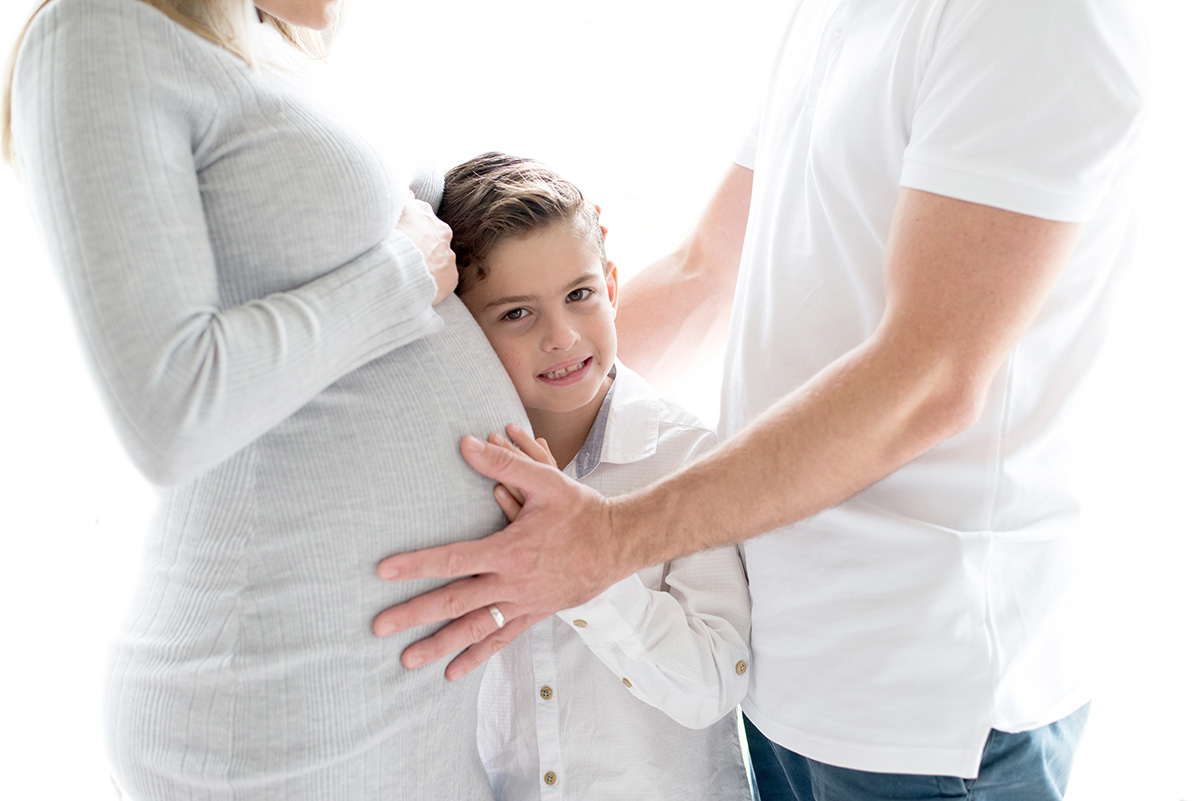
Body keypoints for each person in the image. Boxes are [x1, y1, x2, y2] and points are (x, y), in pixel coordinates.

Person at [371, 1, 1151, 799]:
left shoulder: (1038, 20)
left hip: (926, 696)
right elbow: (706, 269)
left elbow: (931, 378)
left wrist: (603, 543)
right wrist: (487, 414)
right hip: (788, 677)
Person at [4, 0, 527, 798]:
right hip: (271, 702)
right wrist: (401, 278)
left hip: (412, 680)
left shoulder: (273, 37)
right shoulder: (98, 28)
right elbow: (168, 412)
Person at [428, 151, 753, 800]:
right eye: (517, 313)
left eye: (579, 296)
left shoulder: (687, 457)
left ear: (609, 286)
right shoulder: (450, 472)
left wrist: (582, 573)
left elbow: (715, 678)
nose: (562, 335)